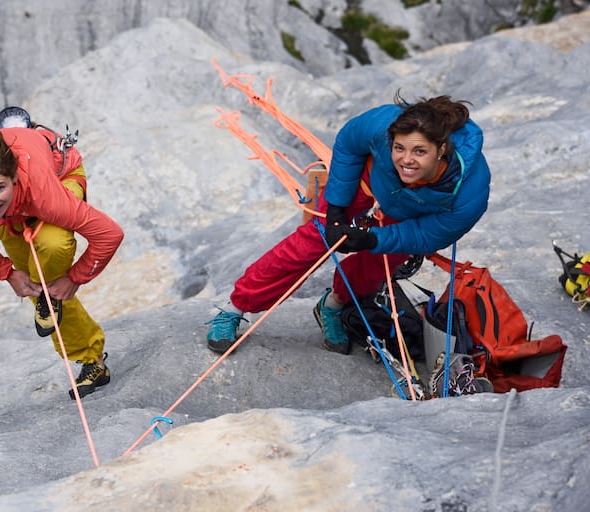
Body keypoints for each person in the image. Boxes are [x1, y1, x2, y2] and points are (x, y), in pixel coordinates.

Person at [206, 93, 491, 355]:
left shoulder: (469, 190)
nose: (406, 160)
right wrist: (337, 209)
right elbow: (347, 144)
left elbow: (427, 235)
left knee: (378, 263)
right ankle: (235, 307)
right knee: (311, 244)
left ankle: (333, 306)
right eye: (399, 148)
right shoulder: (382, 125)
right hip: (368, 184)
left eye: (419, 152)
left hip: (412, 211)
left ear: (441, 149)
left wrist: (372, 240)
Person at [0, 107, 124, 399]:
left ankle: (50, 301)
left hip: (59, 176)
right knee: (34, 282)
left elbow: (109, 234)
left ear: (13, 178)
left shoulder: (42, 192)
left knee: (53, 244)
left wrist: (74, 278)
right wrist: (7, 272)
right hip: (17, 207)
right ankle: (90, 360)